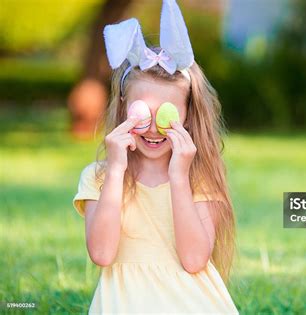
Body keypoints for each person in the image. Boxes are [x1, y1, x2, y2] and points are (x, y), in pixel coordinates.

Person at [72, 1, 238, 313]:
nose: (152, 129)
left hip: (192, 303)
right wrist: (117, 170)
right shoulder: (99, 176)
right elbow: (103, 254)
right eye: (140, 113)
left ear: (187, 117)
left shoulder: (198, 177)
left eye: (166, 114)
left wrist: (178, 177)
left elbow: (193, 260)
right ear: (124, 110)